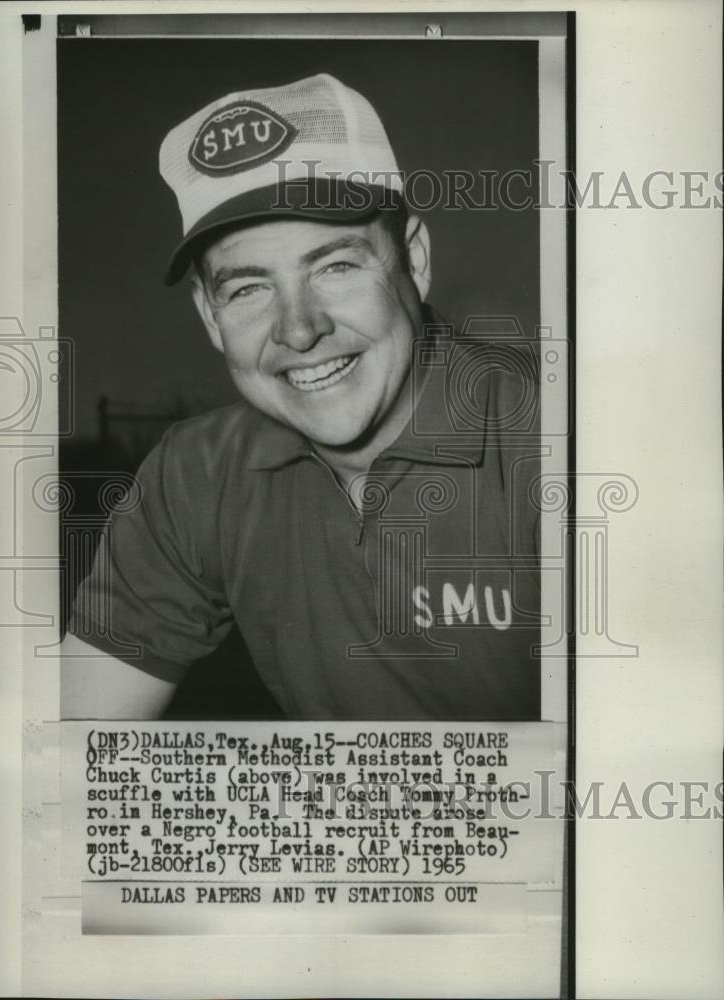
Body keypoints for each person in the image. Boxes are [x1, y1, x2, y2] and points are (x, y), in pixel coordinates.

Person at [60, 73, 541, 721]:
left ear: (415, 260)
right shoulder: (198, 473)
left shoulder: (561, 438)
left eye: (335, 266)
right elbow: (60, 761)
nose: (297, 329)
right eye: (248, 288)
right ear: (208, 314)